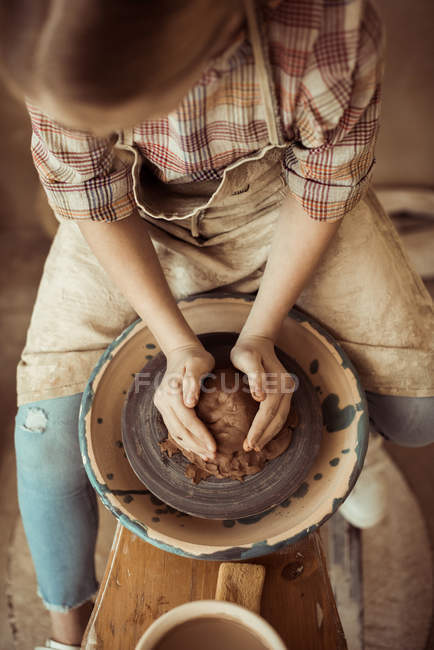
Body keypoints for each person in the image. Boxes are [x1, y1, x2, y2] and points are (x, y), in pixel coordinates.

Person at [0, 0, 432, 647]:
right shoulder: (52, 36)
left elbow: (320, 186)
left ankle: (352, 442)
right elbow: (91, 192)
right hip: (131, 218)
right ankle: (67, 627)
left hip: (283, 202)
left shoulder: (320, 24)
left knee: (419, 411)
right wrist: (175, 342)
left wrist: (261, 332)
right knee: (43, 435)